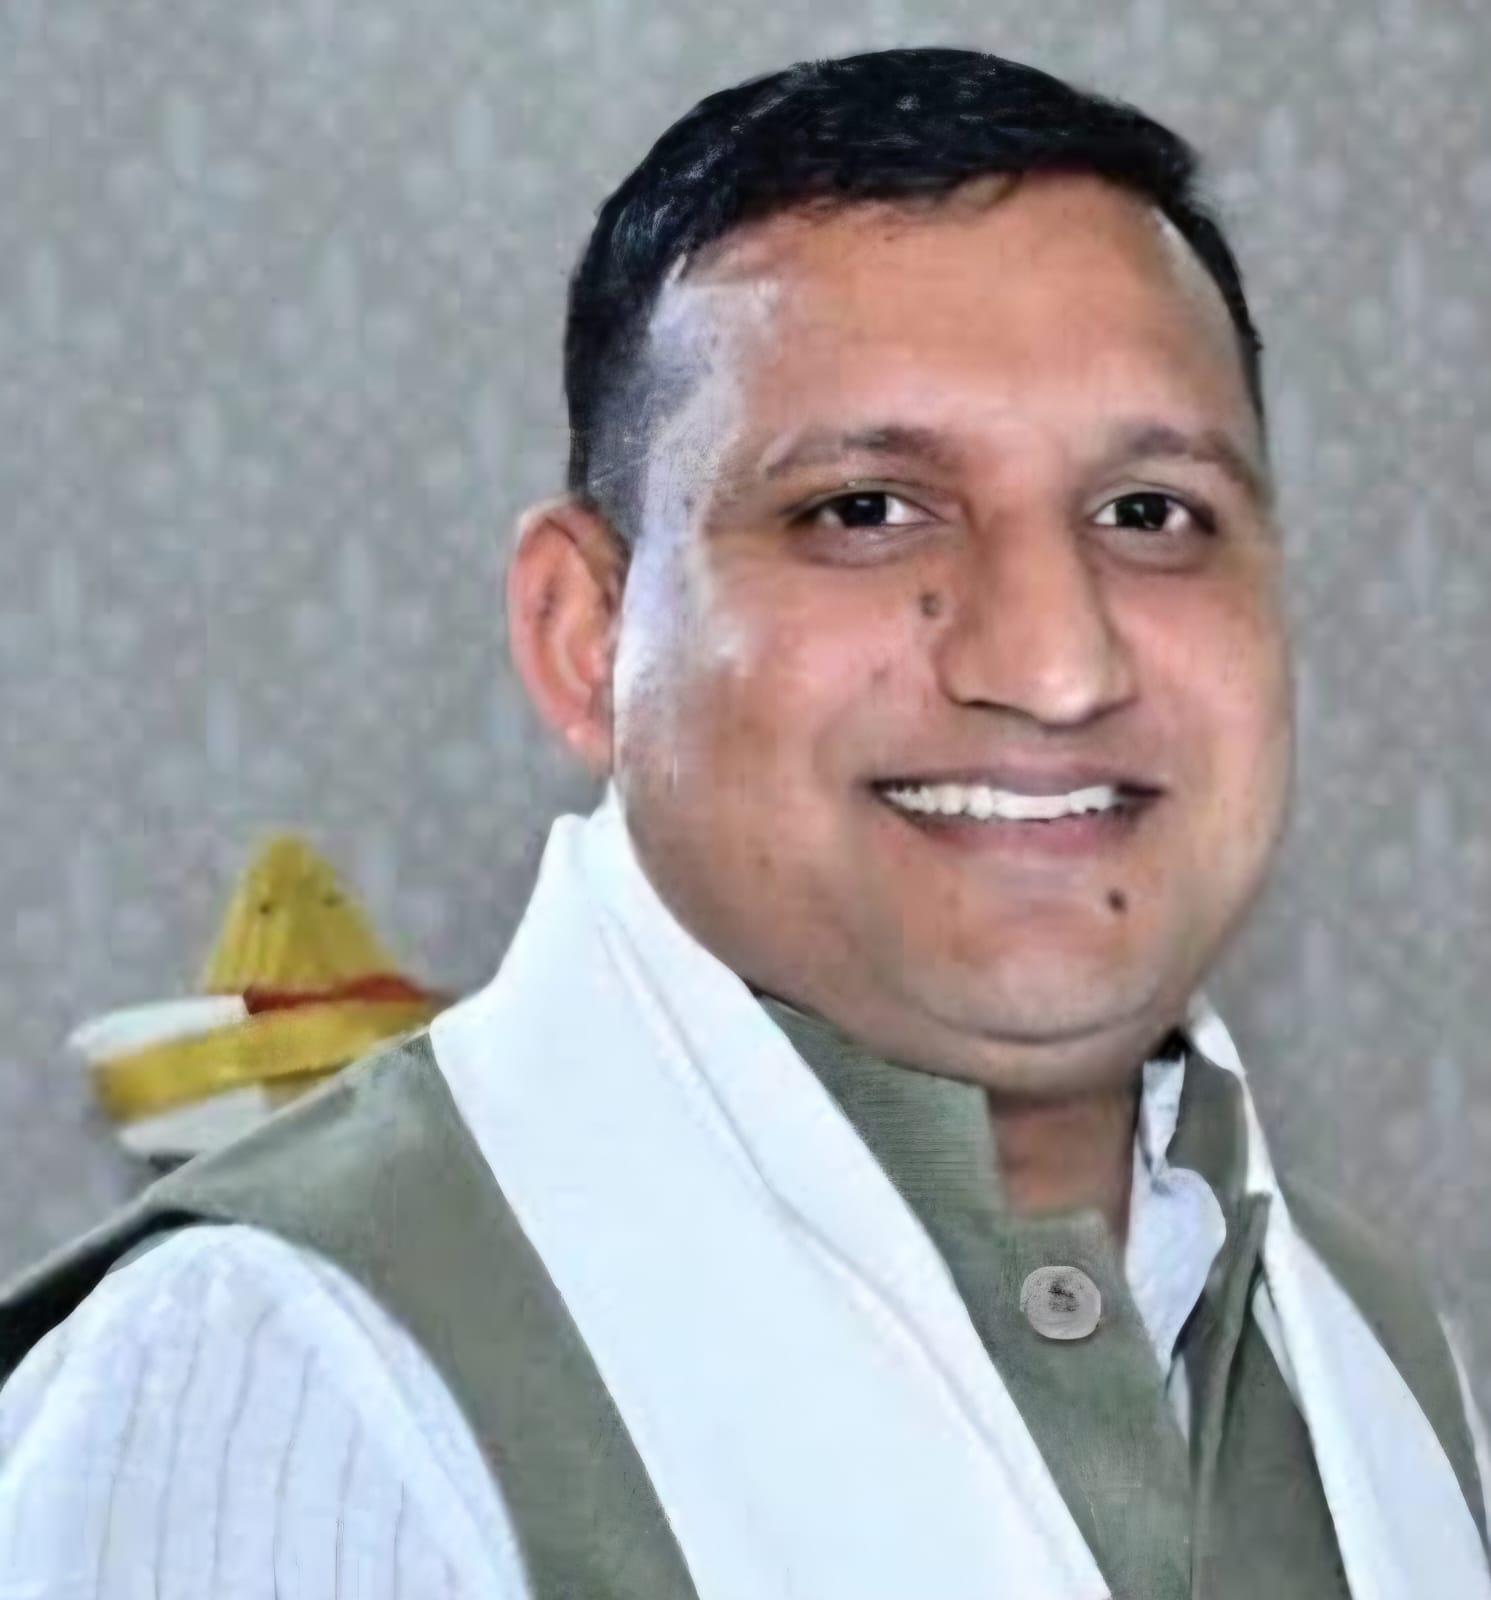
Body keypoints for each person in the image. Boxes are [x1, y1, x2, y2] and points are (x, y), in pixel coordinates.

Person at [0, 43, 1486, 1600]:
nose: (1056, 664)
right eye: (863, 510)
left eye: (1148, 514)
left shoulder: (1374, 1349)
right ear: (587, 634)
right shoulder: (280, 1379)